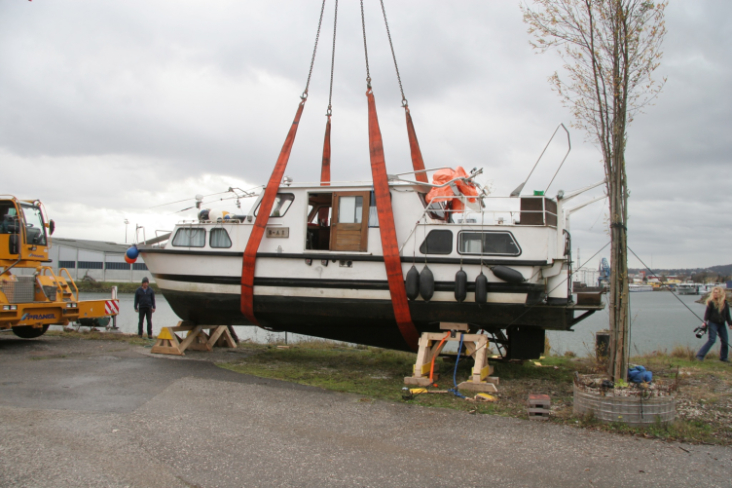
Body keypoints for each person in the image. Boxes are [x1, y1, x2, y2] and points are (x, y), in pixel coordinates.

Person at [696, 286, 732, 362]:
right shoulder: (711, 302)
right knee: (712, 340)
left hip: (722, 324)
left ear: (721, 293)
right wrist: (705, 322)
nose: (715, 294)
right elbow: (707, 313)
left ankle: (723, 357)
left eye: (717, 292)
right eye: (714, 292)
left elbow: (727, 315)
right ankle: (700, 355)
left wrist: (730, 324)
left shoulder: (725, 303)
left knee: (725, 341)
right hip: (713, 323)